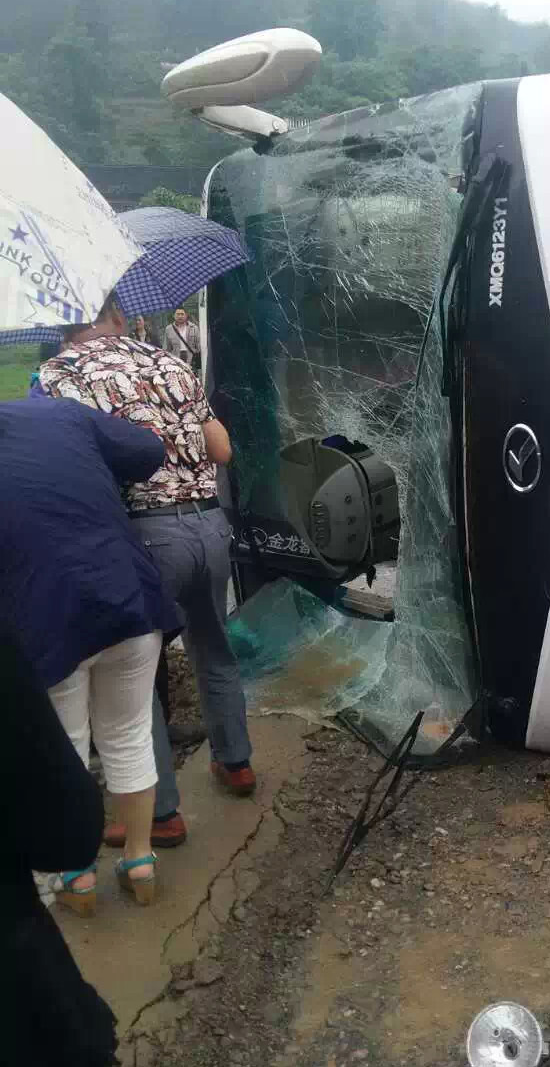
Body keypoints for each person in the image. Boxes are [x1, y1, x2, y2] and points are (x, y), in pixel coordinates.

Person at [40, 296, 255, 854]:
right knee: (214, 648)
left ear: (69, 326)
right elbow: (223, 449)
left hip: (144, 533)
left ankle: (160, 814)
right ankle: (236, 764)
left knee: (135, 680)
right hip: (210, 524)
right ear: (116, 314)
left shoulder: (62, 372)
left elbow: (57, 465)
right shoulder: (167, 360)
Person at [0, 397, 180, 910]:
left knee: (67, 746)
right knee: (127, 733)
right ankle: (141, 862)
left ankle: (77, 875)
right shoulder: (57, 412)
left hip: (42, 616)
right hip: (128, 594)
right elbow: (146, 451)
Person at [1, 636, 120, 1065]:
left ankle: (80, 886)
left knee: (83, 728)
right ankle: (139, 856)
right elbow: (67, 828)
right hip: (20, 1005)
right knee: (128, 732)